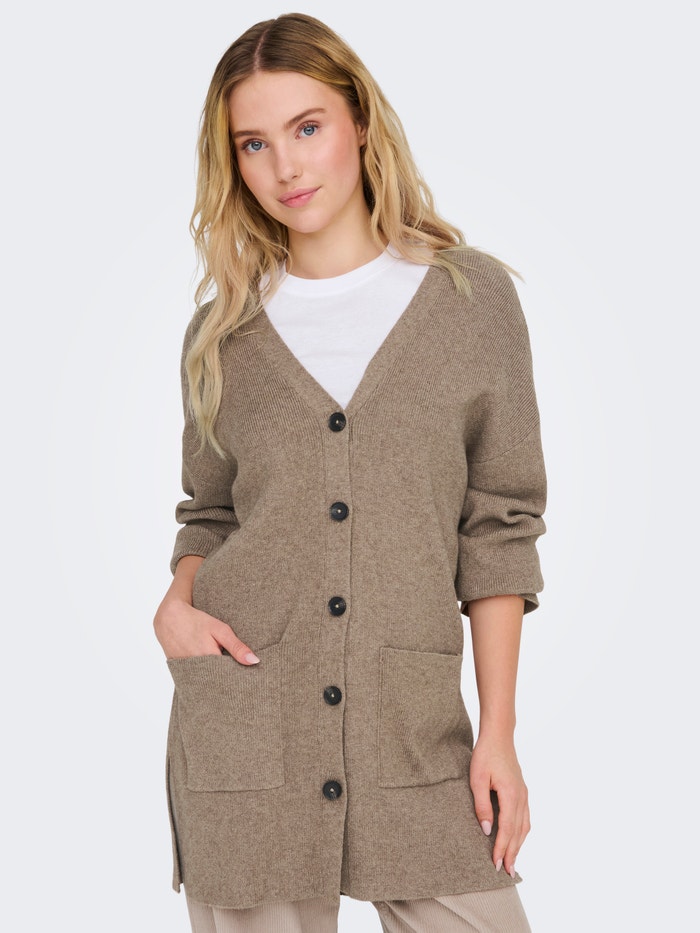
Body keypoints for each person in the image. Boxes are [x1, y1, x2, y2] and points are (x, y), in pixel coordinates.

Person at [154, 12, 547, 933]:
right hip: (247, 732)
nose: (285, 166)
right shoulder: (223, 332)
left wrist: (497, 731)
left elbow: (499, 524)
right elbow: (210, 512)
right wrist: (177, 600)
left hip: (413, 732)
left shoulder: (470, 300)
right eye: (254, 143)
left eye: (307, 127)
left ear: (360, 122)